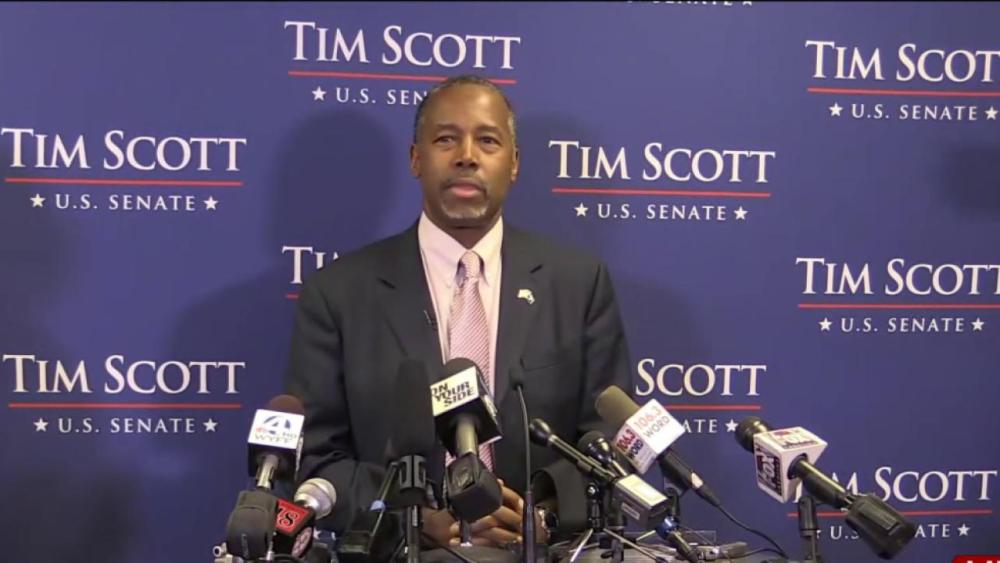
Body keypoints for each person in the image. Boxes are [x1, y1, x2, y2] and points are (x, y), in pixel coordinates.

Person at [285, 74, 631, 549]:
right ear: (416, 158)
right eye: (446, 139)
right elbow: (316, 458)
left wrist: (544, 513)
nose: (467, 156)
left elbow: (610, 440)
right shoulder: (338, 292)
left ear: (514, 163)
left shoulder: (578, 283)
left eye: (488, 140)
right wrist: (410, 517)